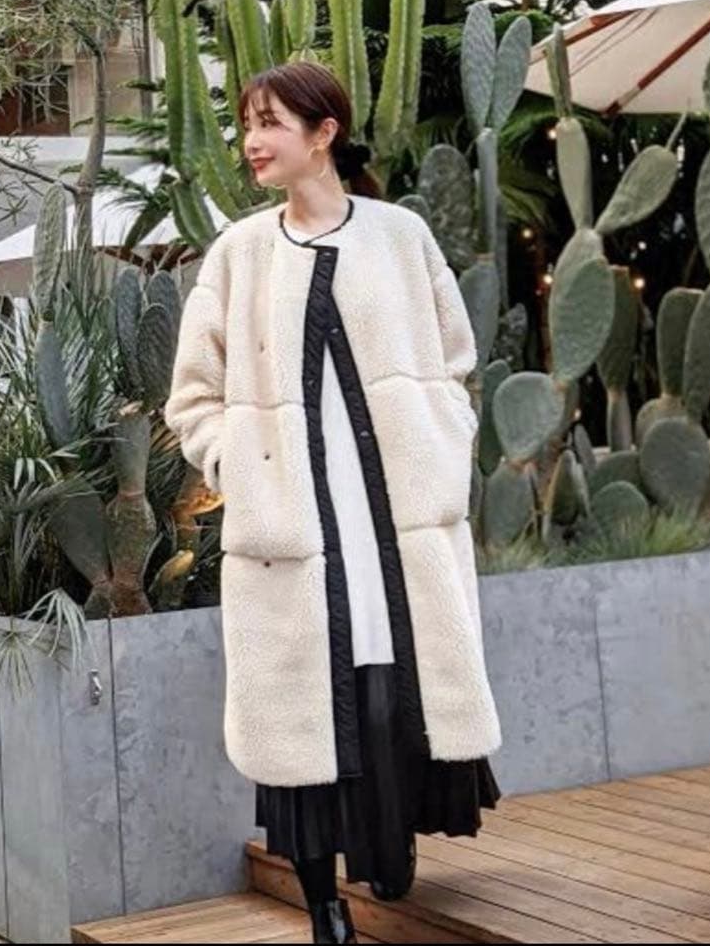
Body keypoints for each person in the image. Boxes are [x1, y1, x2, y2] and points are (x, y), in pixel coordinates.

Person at [164, 61, 502, 945]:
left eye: (270, 123)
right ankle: (323, 907)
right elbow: (191, 395)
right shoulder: (239, 253)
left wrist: (443, 438)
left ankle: (390, 848)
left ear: (324, 133)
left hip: (395, 521)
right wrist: (236, 462)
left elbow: (455, 360)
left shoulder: (398, 236)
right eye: (246, 124)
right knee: (301, 723)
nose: (251, 142)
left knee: (391, 693)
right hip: (289, 529)